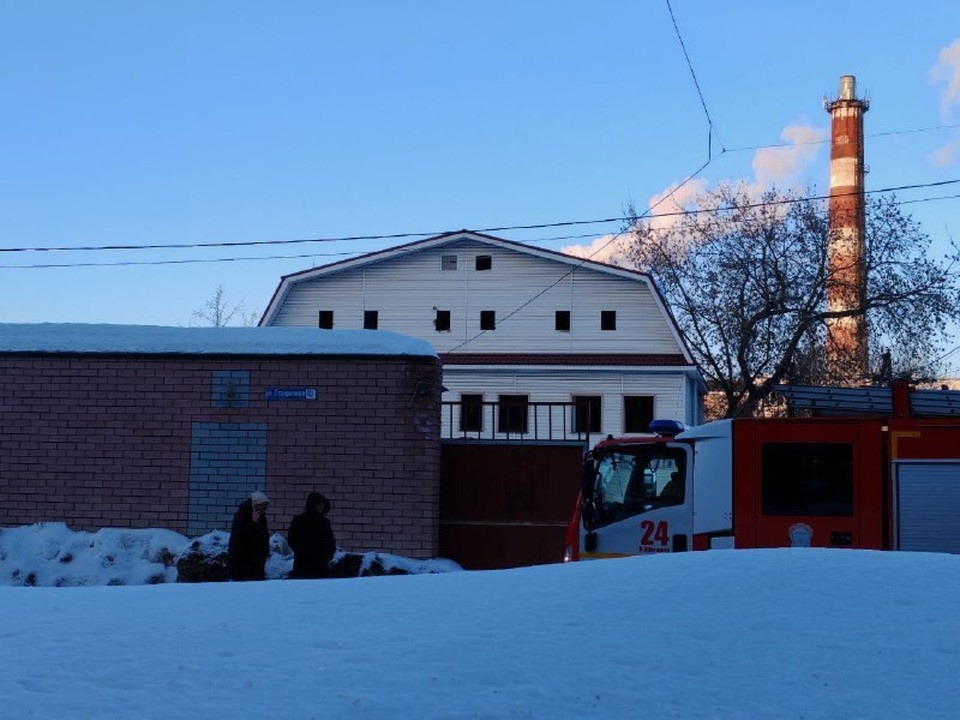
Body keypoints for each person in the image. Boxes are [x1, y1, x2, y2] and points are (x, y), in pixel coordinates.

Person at [287, 492, 337, 579]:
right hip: (303, 566)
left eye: (322, 505)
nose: (321, 507)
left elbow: (330, 540)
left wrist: (329, 554)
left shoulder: (324, 522)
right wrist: (302, 551)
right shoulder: (299, 521)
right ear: (312, 505)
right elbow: (292, 539)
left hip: (321, 566)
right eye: (318, 505)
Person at [227, 490, 271, 581]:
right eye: (263, 507)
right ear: (256, 505)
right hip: (242, 561)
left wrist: (265, 551)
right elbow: (239, 536)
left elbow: (264, 535)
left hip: (256, 561)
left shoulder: (261, 518)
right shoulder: (241, 515)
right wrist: (253, 523)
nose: (264, 511)